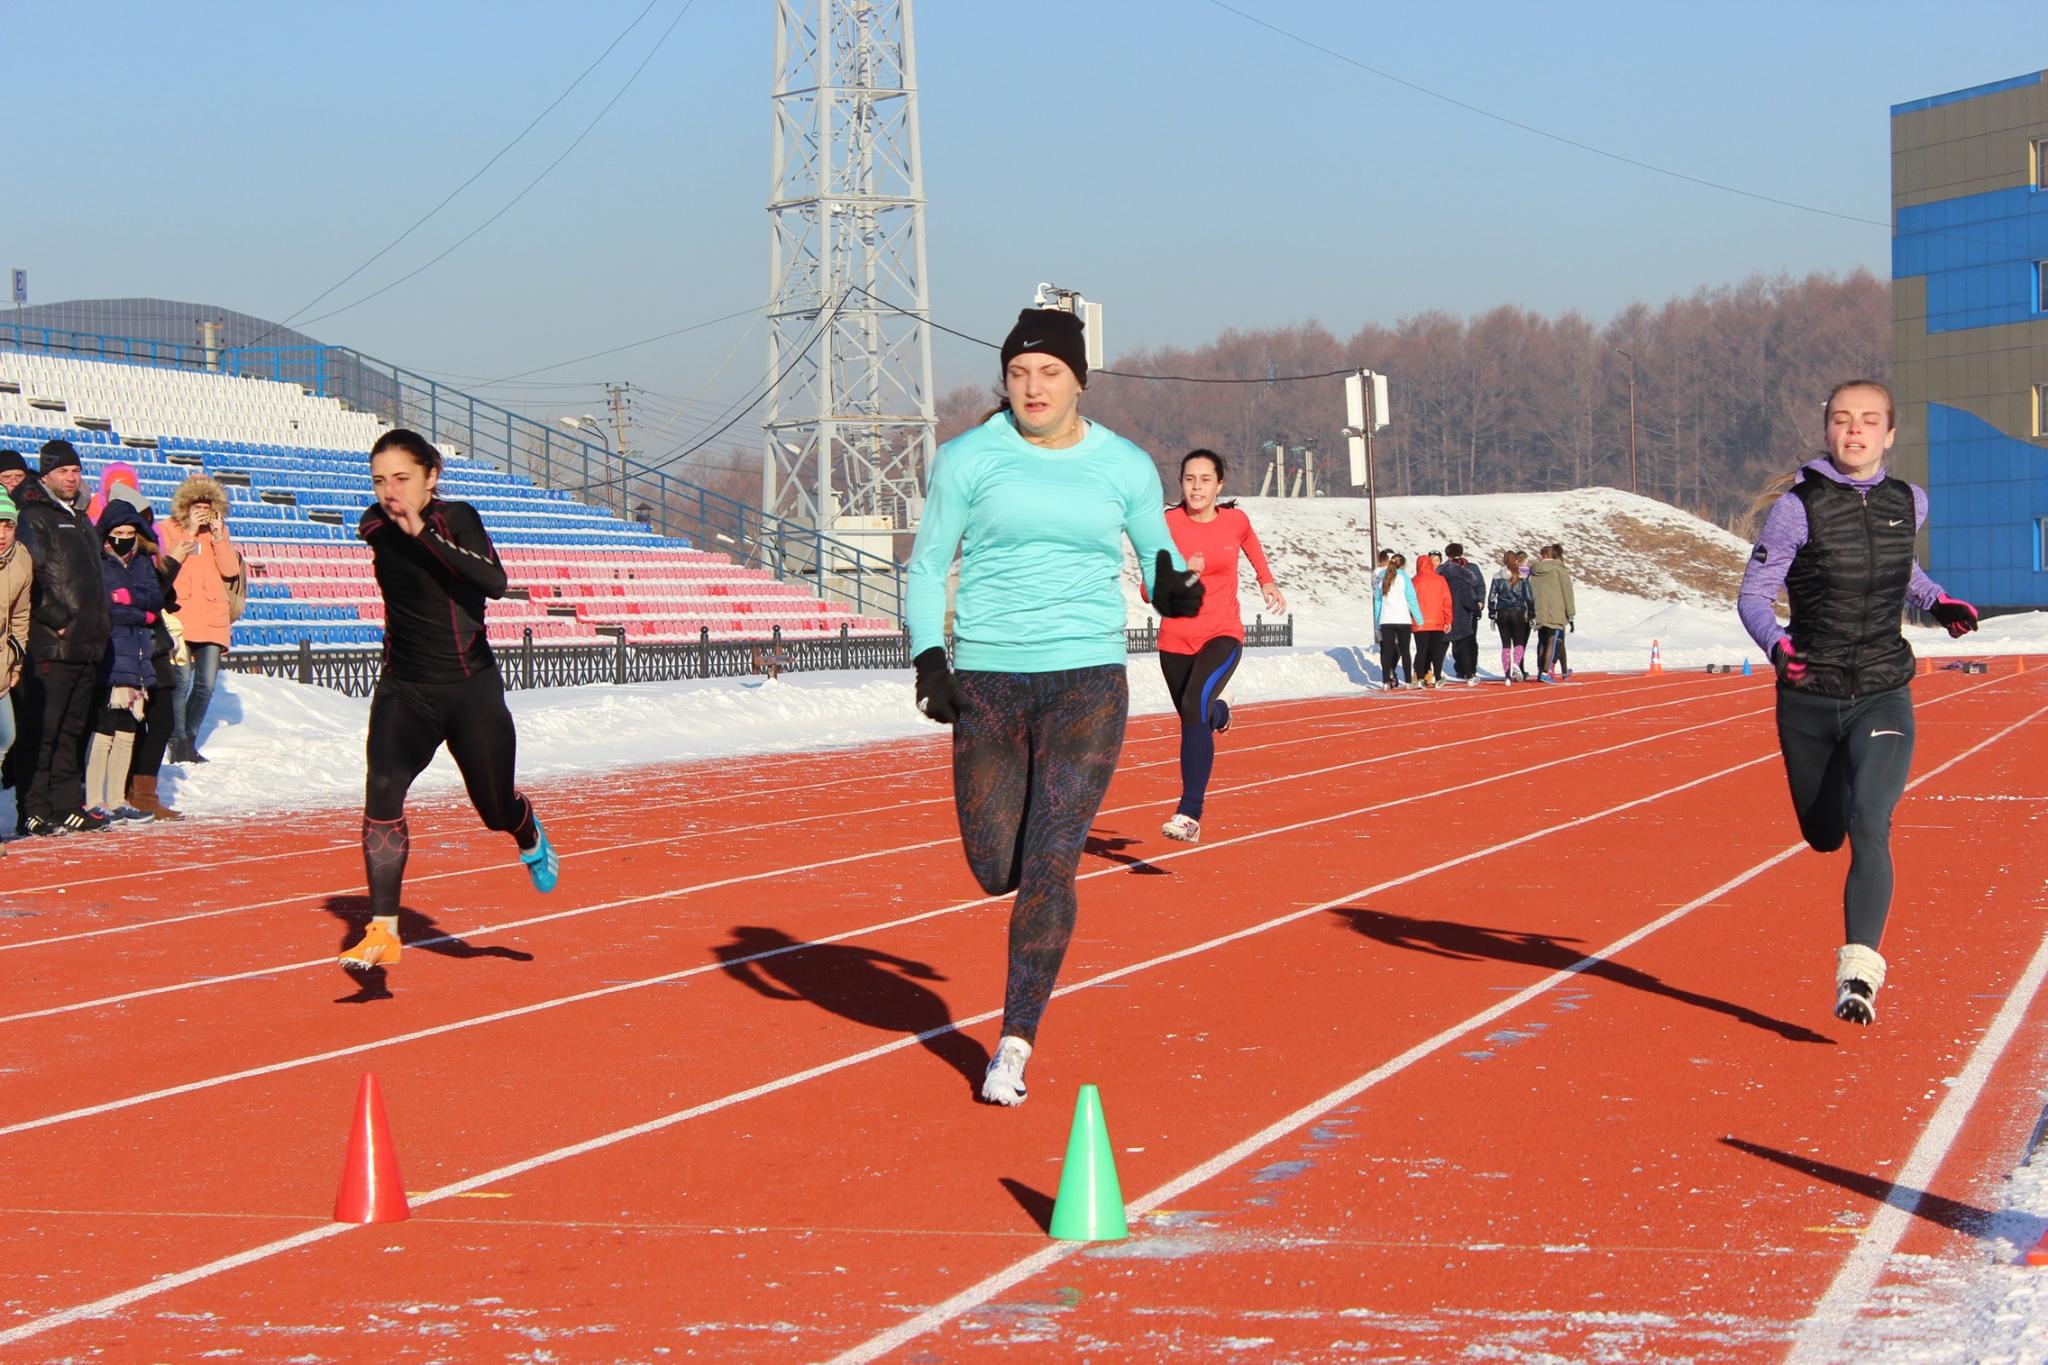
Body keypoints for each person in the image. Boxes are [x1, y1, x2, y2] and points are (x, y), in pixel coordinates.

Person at [905, 307, 1201, 1106]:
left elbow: (1159, 555)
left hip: (1086, 682)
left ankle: (1013, 1042)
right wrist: (931, 654)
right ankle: (1018, 902)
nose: (1033, 387)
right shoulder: (968, 459)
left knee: (1051, 860)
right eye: (1019, 374)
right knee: (995, 866)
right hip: (991, 684)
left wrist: (1172, 588)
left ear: (1078, 380)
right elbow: (929, 565)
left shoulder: (1125, 465)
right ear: (1004, 382)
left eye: (1050, 373)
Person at [1738, 379, 1977, 1026]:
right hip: (1809, 695)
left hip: (1882, 687)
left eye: (1869, 420)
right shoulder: (1797, 508)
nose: (1855, 430)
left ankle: (1859, 971)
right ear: (1828, 431)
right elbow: (1753, 596)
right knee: (1824, 833)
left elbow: (1905, 573)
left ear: (1889, 434)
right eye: (1843, 419)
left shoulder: (1909, 501)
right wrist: (1779, 649)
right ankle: (1836, 782)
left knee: (1873, 822)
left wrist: (1938, 601)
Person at [339, 429, 559, 972]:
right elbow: (381, 530)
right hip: (405, 690)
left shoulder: (455, 518)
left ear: (431, 478)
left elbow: (493, 580)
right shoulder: (373, 525)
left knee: (493, 808)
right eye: (379, 480)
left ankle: (525, 826)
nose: (390, 492)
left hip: (470, 690)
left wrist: (422, 533)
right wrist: (397, 527)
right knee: (383, 787)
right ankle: (383, 928)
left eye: (402, 479)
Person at [1155, 449, 1283, 844]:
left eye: (1205, 479)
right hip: (1175, 640)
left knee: (1194, 706)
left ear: (1219, 485)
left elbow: (1251, 545)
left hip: (1221, 634)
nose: (1197, 487)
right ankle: (1220, 712)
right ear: (1180, 483)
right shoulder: (1165, 524)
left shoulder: (1235, 521)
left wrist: (1266, 580)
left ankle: (1190, 813)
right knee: (1196, 714)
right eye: (1189, 479)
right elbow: (1149, 588)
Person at [11, 440, 111, 836]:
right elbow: (27, 577)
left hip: (86, 643)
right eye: (63, 471)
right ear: (47, 474)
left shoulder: (81, 517)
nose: (72, 477)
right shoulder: (33, 516)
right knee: (42, 729)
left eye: (76, 471)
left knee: (72, 729)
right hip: (53, 642)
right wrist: (59, 620)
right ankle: (33, 809)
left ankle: (67, 804)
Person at [83, 500, 162, 822]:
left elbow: (154, 601)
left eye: (130, 532)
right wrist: (137, 611)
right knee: (104, 729)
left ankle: (116, 799)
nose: (125, 538)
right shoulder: (98, 560)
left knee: (129, 728)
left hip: (139, 657)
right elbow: (104, 607)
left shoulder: (143, 561)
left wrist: (131, 603)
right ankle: (94, 800)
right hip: (111, 654)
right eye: (118, 532)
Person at [159, 476, 242, 765]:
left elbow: (231, 570)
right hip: (181, 615)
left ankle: (188, 739)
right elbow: (168, 563)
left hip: (212, 617)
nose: (203, 511)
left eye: (208, 506)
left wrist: (219, 536)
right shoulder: (168, 529)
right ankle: (177, 741)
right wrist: (191, 530)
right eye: (197, 505)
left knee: (206, 684)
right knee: (180, 682)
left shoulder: (218, 532)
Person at [116, 485, 182, 821]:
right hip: (137, 647)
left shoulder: (147, 555)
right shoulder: (129, 557)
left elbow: (163, 598)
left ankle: (143, 792)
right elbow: (151, 596)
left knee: (160, 720)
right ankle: (133, 792)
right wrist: (174, 563)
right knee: (139, 721)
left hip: (155, 646)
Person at [0, 490, 30, 849]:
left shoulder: (21, 559)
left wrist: (16, 658)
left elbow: (21, 615)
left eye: (8, 525)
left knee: (5, 737)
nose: (2, 532)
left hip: (2, 669)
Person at [1440, 542, 1487, 683]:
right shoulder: (1445, 570)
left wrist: (1479, 601)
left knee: (1463, 640)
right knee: (1464, 640)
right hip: (1462, 607)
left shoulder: (1467, 568)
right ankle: (1465, 668)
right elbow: (1480, 585)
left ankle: (1467, 667)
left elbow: (1480, 586)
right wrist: (1478, 601)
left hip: (1461, 607)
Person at [1529, 544, 1575, 682]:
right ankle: (1545, 671)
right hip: (1555, 611)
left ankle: (1540, 670)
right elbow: (1567, 592)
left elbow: (1529, 591)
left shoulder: (1534, 571)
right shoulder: (1559, 570)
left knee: (1542, 641)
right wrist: (1571, 613)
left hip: (1539, 610)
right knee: (1552, 641)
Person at [1376, 551, 1420, 689]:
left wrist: (1378, 622)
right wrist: (1419, 618)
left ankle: (1385, 682)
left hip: (1386, 619)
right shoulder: (1404, 577)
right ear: (1403, 565)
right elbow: (1411, 599)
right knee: (1405, 650)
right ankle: (1407, 681)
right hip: (1402, 619)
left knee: (1387, 651)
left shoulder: (1382, 577)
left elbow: (1377, 602)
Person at [1488, 550, 1534, 684]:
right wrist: (1531, 614)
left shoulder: (1497, 576)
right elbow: (1529, 597)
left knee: (1505, 644)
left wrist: (1492, 613)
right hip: (1518, 612)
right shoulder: (1522, 577)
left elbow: (1492, 597)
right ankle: (1516, 664)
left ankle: (1507, 674)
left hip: (1502, 613)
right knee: (1519, 642)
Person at [1410, 553, 1453, 688]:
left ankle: (1420, 677)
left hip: (1420, 621)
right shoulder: (1440, 580)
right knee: (1436, 650)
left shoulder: (1414, 581)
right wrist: (1448, 620)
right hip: (1437, 620)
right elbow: (1447, 601)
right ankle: (1438, 676)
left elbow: (1410, 602)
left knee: (1421, 650)